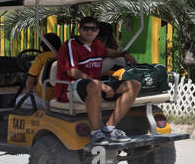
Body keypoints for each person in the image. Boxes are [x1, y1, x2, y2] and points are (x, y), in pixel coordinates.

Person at [54, 16, 140, 145]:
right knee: (94, 86)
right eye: (86, 29)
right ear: (80, 30)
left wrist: (123, 54)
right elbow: (72, 72)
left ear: (97, 31)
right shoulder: (71, 45)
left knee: (134, 85)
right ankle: (95, 132)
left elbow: (107, 52)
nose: (89, 32)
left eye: (93, 29)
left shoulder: (96, 45)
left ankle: (109, 128)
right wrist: (99, 85)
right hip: (70, 87)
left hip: (92, 85)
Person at [18, 32, 63, 109]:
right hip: (59, 98)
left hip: (43, 98)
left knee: (18, 100)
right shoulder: (63, 57)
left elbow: (30, 79)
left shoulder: (41, 58)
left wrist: (28, 93)